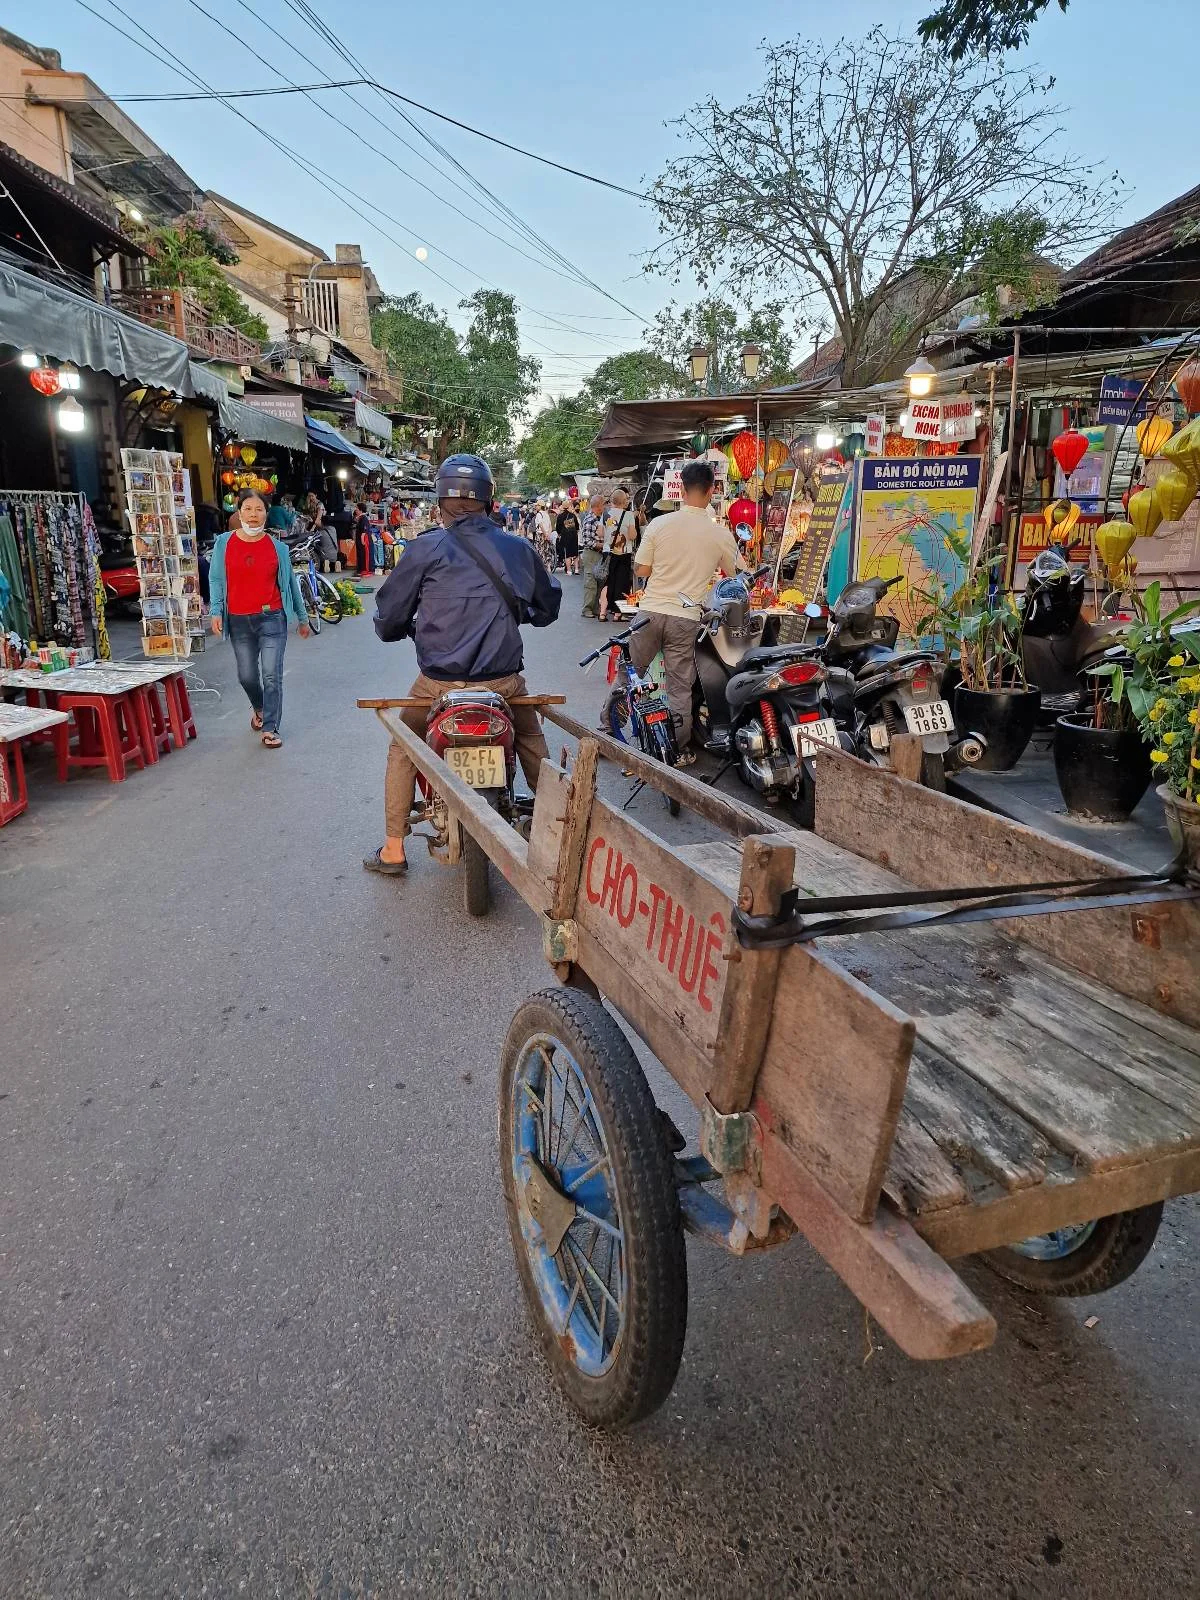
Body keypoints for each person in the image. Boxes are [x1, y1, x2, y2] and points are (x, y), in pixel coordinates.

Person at [365, 453, 562, 875]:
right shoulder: (517, 547)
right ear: (490, 503)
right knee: (531, 742)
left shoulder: (424, 548)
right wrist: (521, 612)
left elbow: (388, 618)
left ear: (440, 505)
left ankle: (394, 849)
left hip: (438, 686)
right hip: (503, 684)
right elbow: (548, 608)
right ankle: (557, 837)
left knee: (404, 746)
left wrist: (402, 628)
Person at [629, 460, 739, 767]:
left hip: (649, 611)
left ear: (681, 489)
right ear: (712, 491)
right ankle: (676, 749)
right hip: (685, 617)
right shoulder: (719, 534)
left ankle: (610, 727)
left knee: (632, 673)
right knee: (679, 687)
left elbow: (641, 570)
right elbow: (734, 577)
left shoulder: (659, 524)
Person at [208, 489, 311, 748]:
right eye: (248, 509)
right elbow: (216, 580)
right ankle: (260, 708)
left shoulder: (277, 548)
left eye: (259, 509)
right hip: (239, 620)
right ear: (239, 512)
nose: (253, 515)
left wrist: (302, 617)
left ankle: (270, 727)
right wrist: (216, 611)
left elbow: (289, 585)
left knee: (271, 675)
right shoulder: (224, 543)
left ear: (267, 513)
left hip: (272, 618)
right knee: (246, 676)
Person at [600, 487, 636, 619]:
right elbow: (632, 536)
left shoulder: (605, 514)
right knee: (622, 583)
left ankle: (603, 612)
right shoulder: (628, 515)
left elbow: (600, 533)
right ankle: (617, 613)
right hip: (624, 553)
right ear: (624, 501)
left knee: (608, 582)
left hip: (608, 552)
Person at [578, 491, 608, 618]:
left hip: (599, 554)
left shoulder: (600, 519)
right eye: (603, 504)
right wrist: (603, 545)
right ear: (598, 506)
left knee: (599, 581)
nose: (605, 507)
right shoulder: (590, 520)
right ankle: (587, 609)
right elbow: (587, 541)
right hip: (591, 553)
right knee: (590, 582)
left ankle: (596, 607)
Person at [556, 499, 581, 575]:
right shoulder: (572, 515)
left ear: (563, 507)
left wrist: (559, 534)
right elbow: (577, 526)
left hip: (565, 536)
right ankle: (576, 570)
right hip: (574, 535)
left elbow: (558, 527)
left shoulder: (560, 516)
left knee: (567, 553)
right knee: (575, 552)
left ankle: (569, 570)